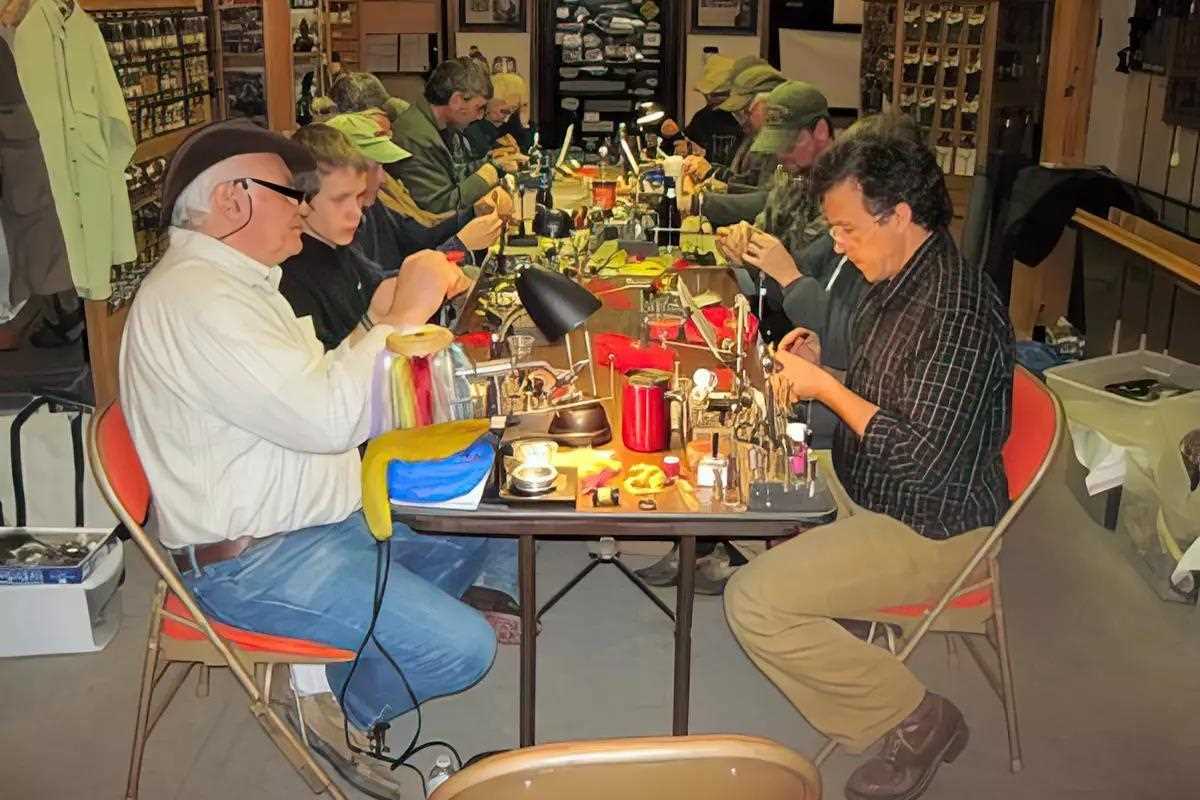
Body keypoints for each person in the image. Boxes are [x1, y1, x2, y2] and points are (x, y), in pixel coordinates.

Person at [119, 119, 505, 799]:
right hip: (254, 559)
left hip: (319, 520)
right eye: (289, 191)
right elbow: (328, 419)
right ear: (233, 199)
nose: (303, 206)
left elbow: (310, 386)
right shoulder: (199, 300)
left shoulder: (240, 284)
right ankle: (343, 711)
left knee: (474, 528)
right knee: (463, 649)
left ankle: (335, 671)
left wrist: (370, 325)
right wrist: (399, 320)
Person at [724, 131, 1015, 800]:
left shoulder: (953, 308)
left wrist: (826, 390)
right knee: (734, 485)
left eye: (849, 229)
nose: (843, 246)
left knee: (754, 602)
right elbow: (898, 390)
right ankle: (842, 617)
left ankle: (917, 718)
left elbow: (922, 460)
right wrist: (831, 365)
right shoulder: (903, 275)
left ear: (901, 214)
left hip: (933, 528)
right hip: (872, 486)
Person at [279, 121, 502, 350]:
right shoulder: (290, 279)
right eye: (340, 200)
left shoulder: (344, 249)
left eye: (358, 197)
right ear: (300, 200)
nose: (356, 212)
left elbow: (383, 284)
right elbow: (332, 372)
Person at [321, 112, 505, 275]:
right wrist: (460, 246)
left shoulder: (375, 206)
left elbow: (419, 237)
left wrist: (472, 212)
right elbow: (387, 284)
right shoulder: (343, 230)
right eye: (376, 166)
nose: (383, 178)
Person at [391, 60, 525, 213]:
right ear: (456, 101)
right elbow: (442, 208)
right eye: (478, 108)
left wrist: (493, 162)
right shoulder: (417, 137)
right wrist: (489, 172)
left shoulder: (433, 126)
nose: (480, 116)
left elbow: (452, 175)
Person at [685, 64, 787, 227]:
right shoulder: (756, 138)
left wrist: (700, 202)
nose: (741, 119)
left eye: (746, 110)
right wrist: (716, 179)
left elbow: (768, 201)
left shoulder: (783, 146)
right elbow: (748, 181)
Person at [683, 54, 742, 167]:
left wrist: (705, 154)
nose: (709, 99)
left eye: (717, 95)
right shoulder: (702, 118)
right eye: (708, 95)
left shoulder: (746, 122)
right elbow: (685, 141)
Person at [464, 71, 532, 156]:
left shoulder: (515, 127)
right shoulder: (473, 130)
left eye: (514, 107)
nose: (509, 111)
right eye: (501, 103)